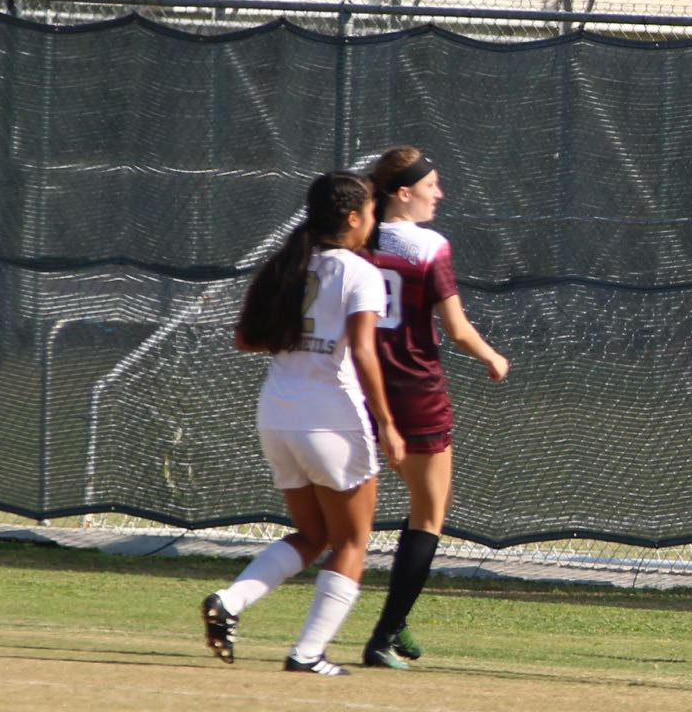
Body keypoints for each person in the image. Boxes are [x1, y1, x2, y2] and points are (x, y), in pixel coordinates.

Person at [200, 171, 404, 675]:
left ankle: (229, 601)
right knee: (353, 541)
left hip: (278, 413)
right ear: (352, 218)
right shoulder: (359, 272)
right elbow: (362, 351)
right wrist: (388, 422)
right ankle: (308, 653)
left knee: (313, 534)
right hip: (331, 416)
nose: (372, 224)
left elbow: (246, 338)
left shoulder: (287, 265)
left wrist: (297, 338)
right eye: (371, 214)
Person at [356, 146, 511, 669]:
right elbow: (458, 330)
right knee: (427, 516)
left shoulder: (354, 240)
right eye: (432, 185)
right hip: (413, 389)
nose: (439, 194)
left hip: (353, 385)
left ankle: (391, 623)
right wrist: (493, 357)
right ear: (404, 192)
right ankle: (382, 633)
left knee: (338, 520)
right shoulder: (428, 246)